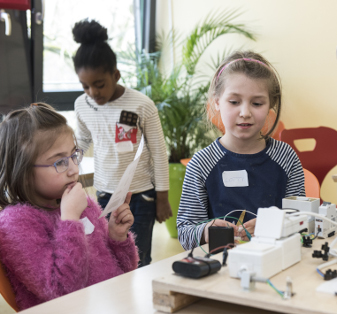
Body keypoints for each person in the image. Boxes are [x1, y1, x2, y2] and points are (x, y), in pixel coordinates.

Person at [0, 103, 139, 311]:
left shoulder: (84, 205)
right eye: (60, 163)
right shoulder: (15, 224)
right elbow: (63, 291)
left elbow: (124, 274)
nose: (74, 169)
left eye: (74, 156)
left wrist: (117, 238)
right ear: (24, 172)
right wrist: (70, 220)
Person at [177, 51, 305, 250]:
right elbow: (185, 233)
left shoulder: (286, 157)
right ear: (217, 102)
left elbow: (303, 221)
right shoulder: (201, 163)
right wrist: (206, 230)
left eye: (257, 103)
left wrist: (275, 225)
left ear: (271, 103)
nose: (245, 113)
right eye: (234, 102)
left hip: (275, 262)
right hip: (220, 269)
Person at [72, 19, 172, 266]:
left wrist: (162, 198)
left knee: (140, 258)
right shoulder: (81, 105)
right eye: (85, 86)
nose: (93, 93)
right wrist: (70, 167)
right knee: (110, 256)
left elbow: (159, 152)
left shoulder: (141, 104)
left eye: (99, 84)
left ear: (115, 75)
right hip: (106, 194)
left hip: (141, 197)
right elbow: (82, 140)